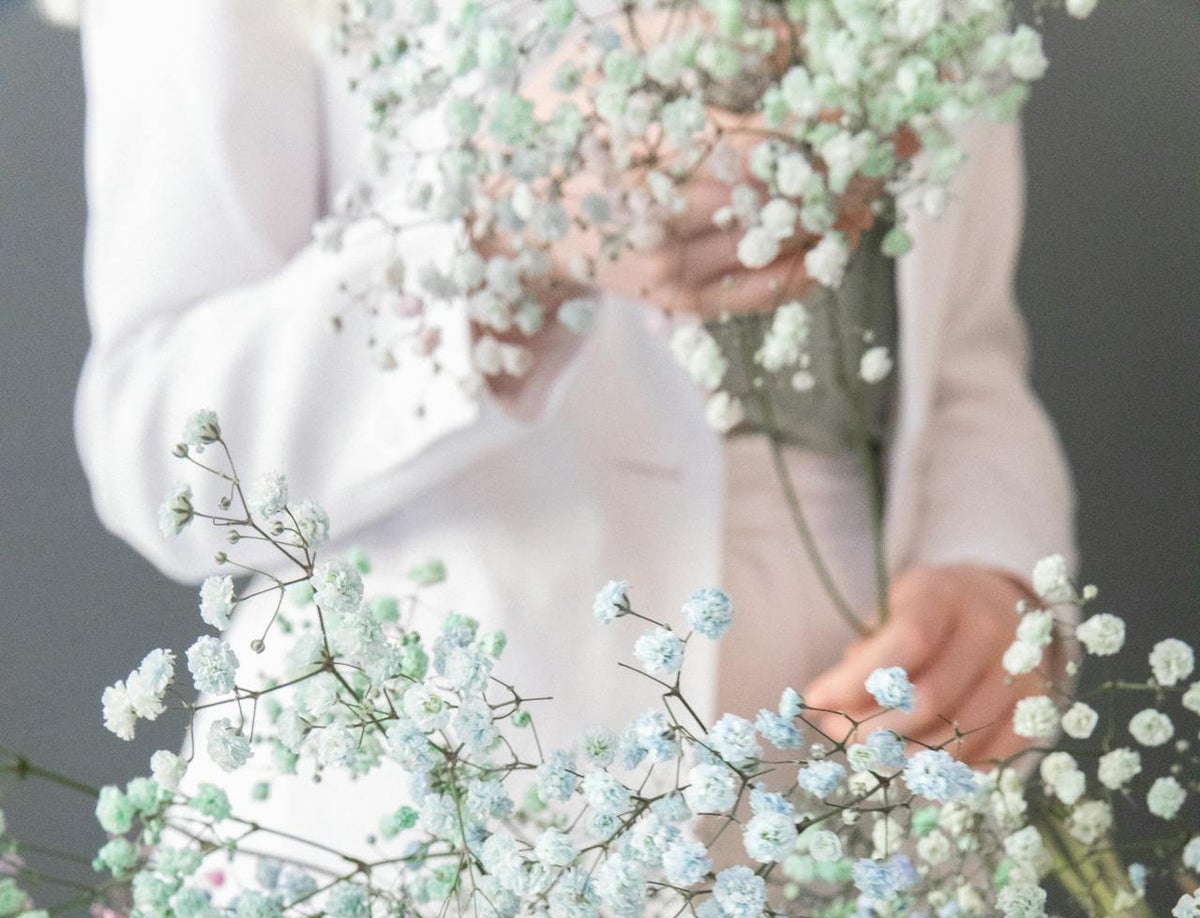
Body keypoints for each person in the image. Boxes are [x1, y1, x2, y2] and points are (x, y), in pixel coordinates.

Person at [74, 0, 1074, 860]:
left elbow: (964, 348)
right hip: (446, 859)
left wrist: (994, 578)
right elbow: (162, 449)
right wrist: (503, 245)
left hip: (864, 857)